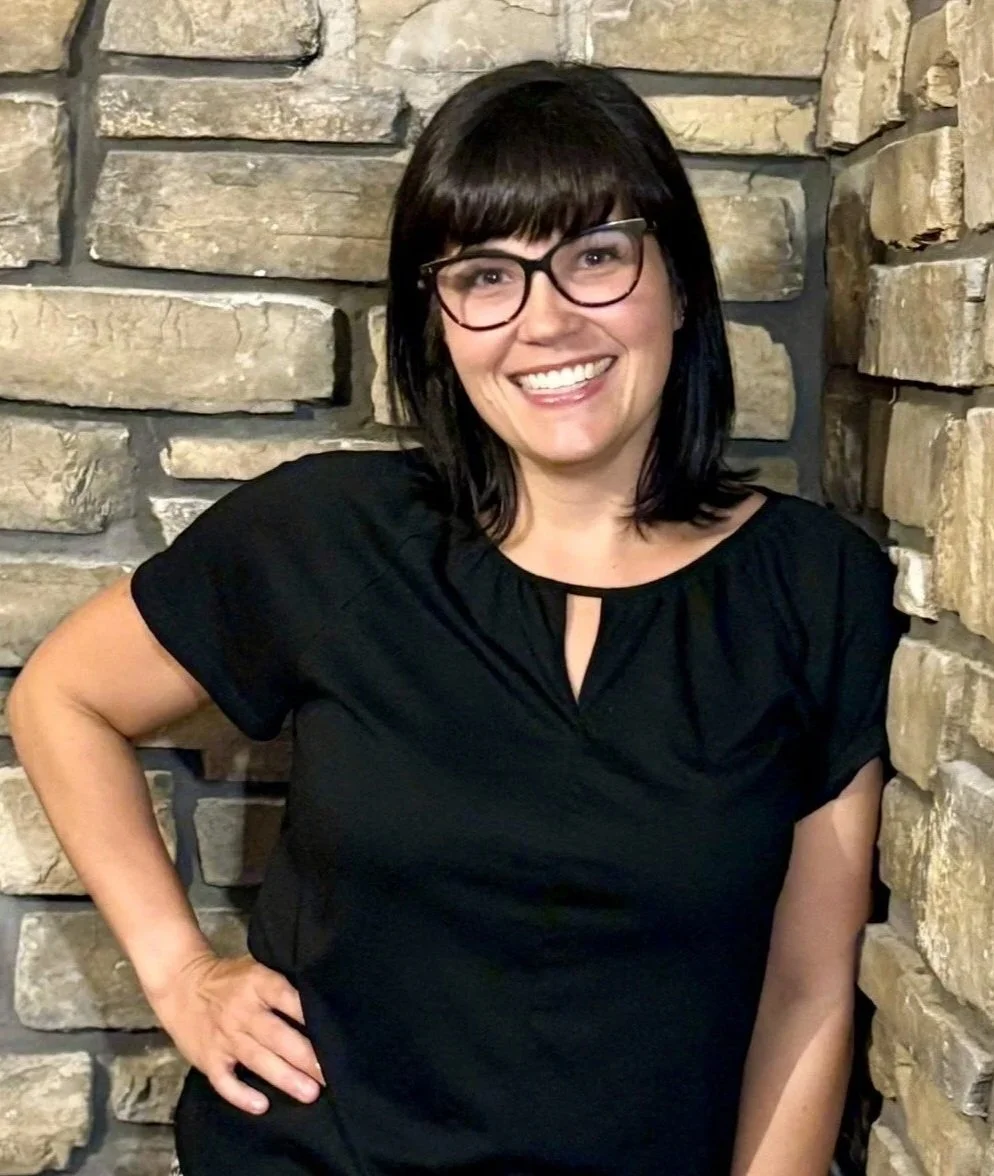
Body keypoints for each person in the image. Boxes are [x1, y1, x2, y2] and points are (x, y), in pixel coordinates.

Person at [7, 60, 905, 1176]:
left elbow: (806, 988)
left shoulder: (813, 588)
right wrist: (177, 967)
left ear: (675, 281)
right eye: (487, 275)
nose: (544, 321)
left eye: (594, 256)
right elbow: (65, 695)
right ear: (438, 321)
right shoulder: (331, 536)